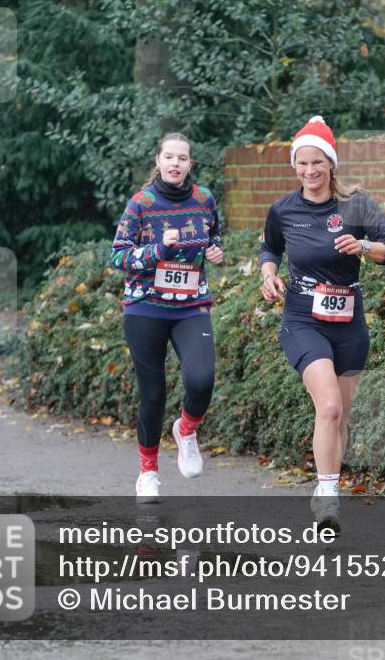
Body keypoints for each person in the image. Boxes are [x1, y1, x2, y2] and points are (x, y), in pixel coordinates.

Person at [258, 116, 385, 531]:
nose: (309, 172)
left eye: (317, 163)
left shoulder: (356, 205)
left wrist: (364, 245)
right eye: (301, 164)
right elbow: (269, 248)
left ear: (331, 164)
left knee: (339, 416)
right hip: (303, 320)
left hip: (349, 325)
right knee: (330, 406)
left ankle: (327, 484)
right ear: (294, 166)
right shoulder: (283, 209)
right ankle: (327, 496)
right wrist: (269, 275)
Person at [110, 132, 224, 502]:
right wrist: (158, 250)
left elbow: (213, 236)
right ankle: (148, 473)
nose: (175, 163)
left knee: (202, 379)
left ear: (191, 164)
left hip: (191, 305)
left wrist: (216, 250)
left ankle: (187, 430)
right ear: (158, 161)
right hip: (145, 307)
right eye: (169, 157)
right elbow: (118, 257)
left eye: (182, 158)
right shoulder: (141, 203)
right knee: (153, 394)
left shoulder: (204, 198)